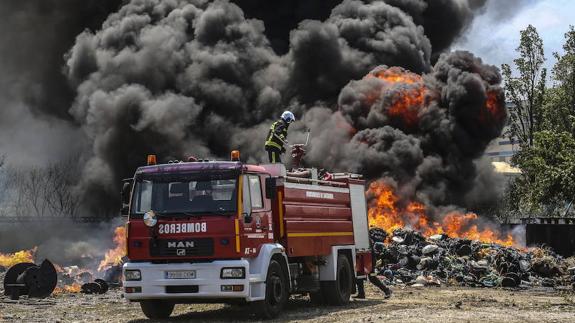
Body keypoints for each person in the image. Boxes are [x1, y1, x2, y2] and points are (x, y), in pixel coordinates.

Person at [354, 228, 392, 299]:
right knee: (359, 276)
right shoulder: (364, 238)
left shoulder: (366, 239)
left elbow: (369, 252)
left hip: (369, 261)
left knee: (372, 277)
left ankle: (387, 290)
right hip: (364, 259)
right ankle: (361, 293)